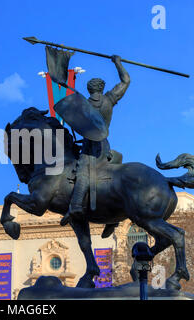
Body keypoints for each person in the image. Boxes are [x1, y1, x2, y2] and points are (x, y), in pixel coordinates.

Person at [58, 54, 130, 227]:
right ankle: (114, 218)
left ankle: (75, 206)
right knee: (116, 164)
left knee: (83, 170)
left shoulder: (84, 105)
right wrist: (118, 63)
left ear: (89, 89)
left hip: (91, 147)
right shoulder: (110, 99)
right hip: (105, 145)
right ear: (102, 88)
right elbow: (126, 80)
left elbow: (75, 124)